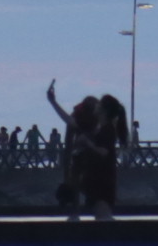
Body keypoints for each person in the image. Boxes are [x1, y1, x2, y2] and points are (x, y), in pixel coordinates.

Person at [45, 82, 120, 219]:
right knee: (96, 205)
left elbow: (103, 151)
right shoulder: (97, 125)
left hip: (99, 173)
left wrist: (87, 143)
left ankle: (77, 216)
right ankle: (76, 215)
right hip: (90, 170)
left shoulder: (105, 129)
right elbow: (69, 121)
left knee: (100, 206)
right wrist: (53, 102)